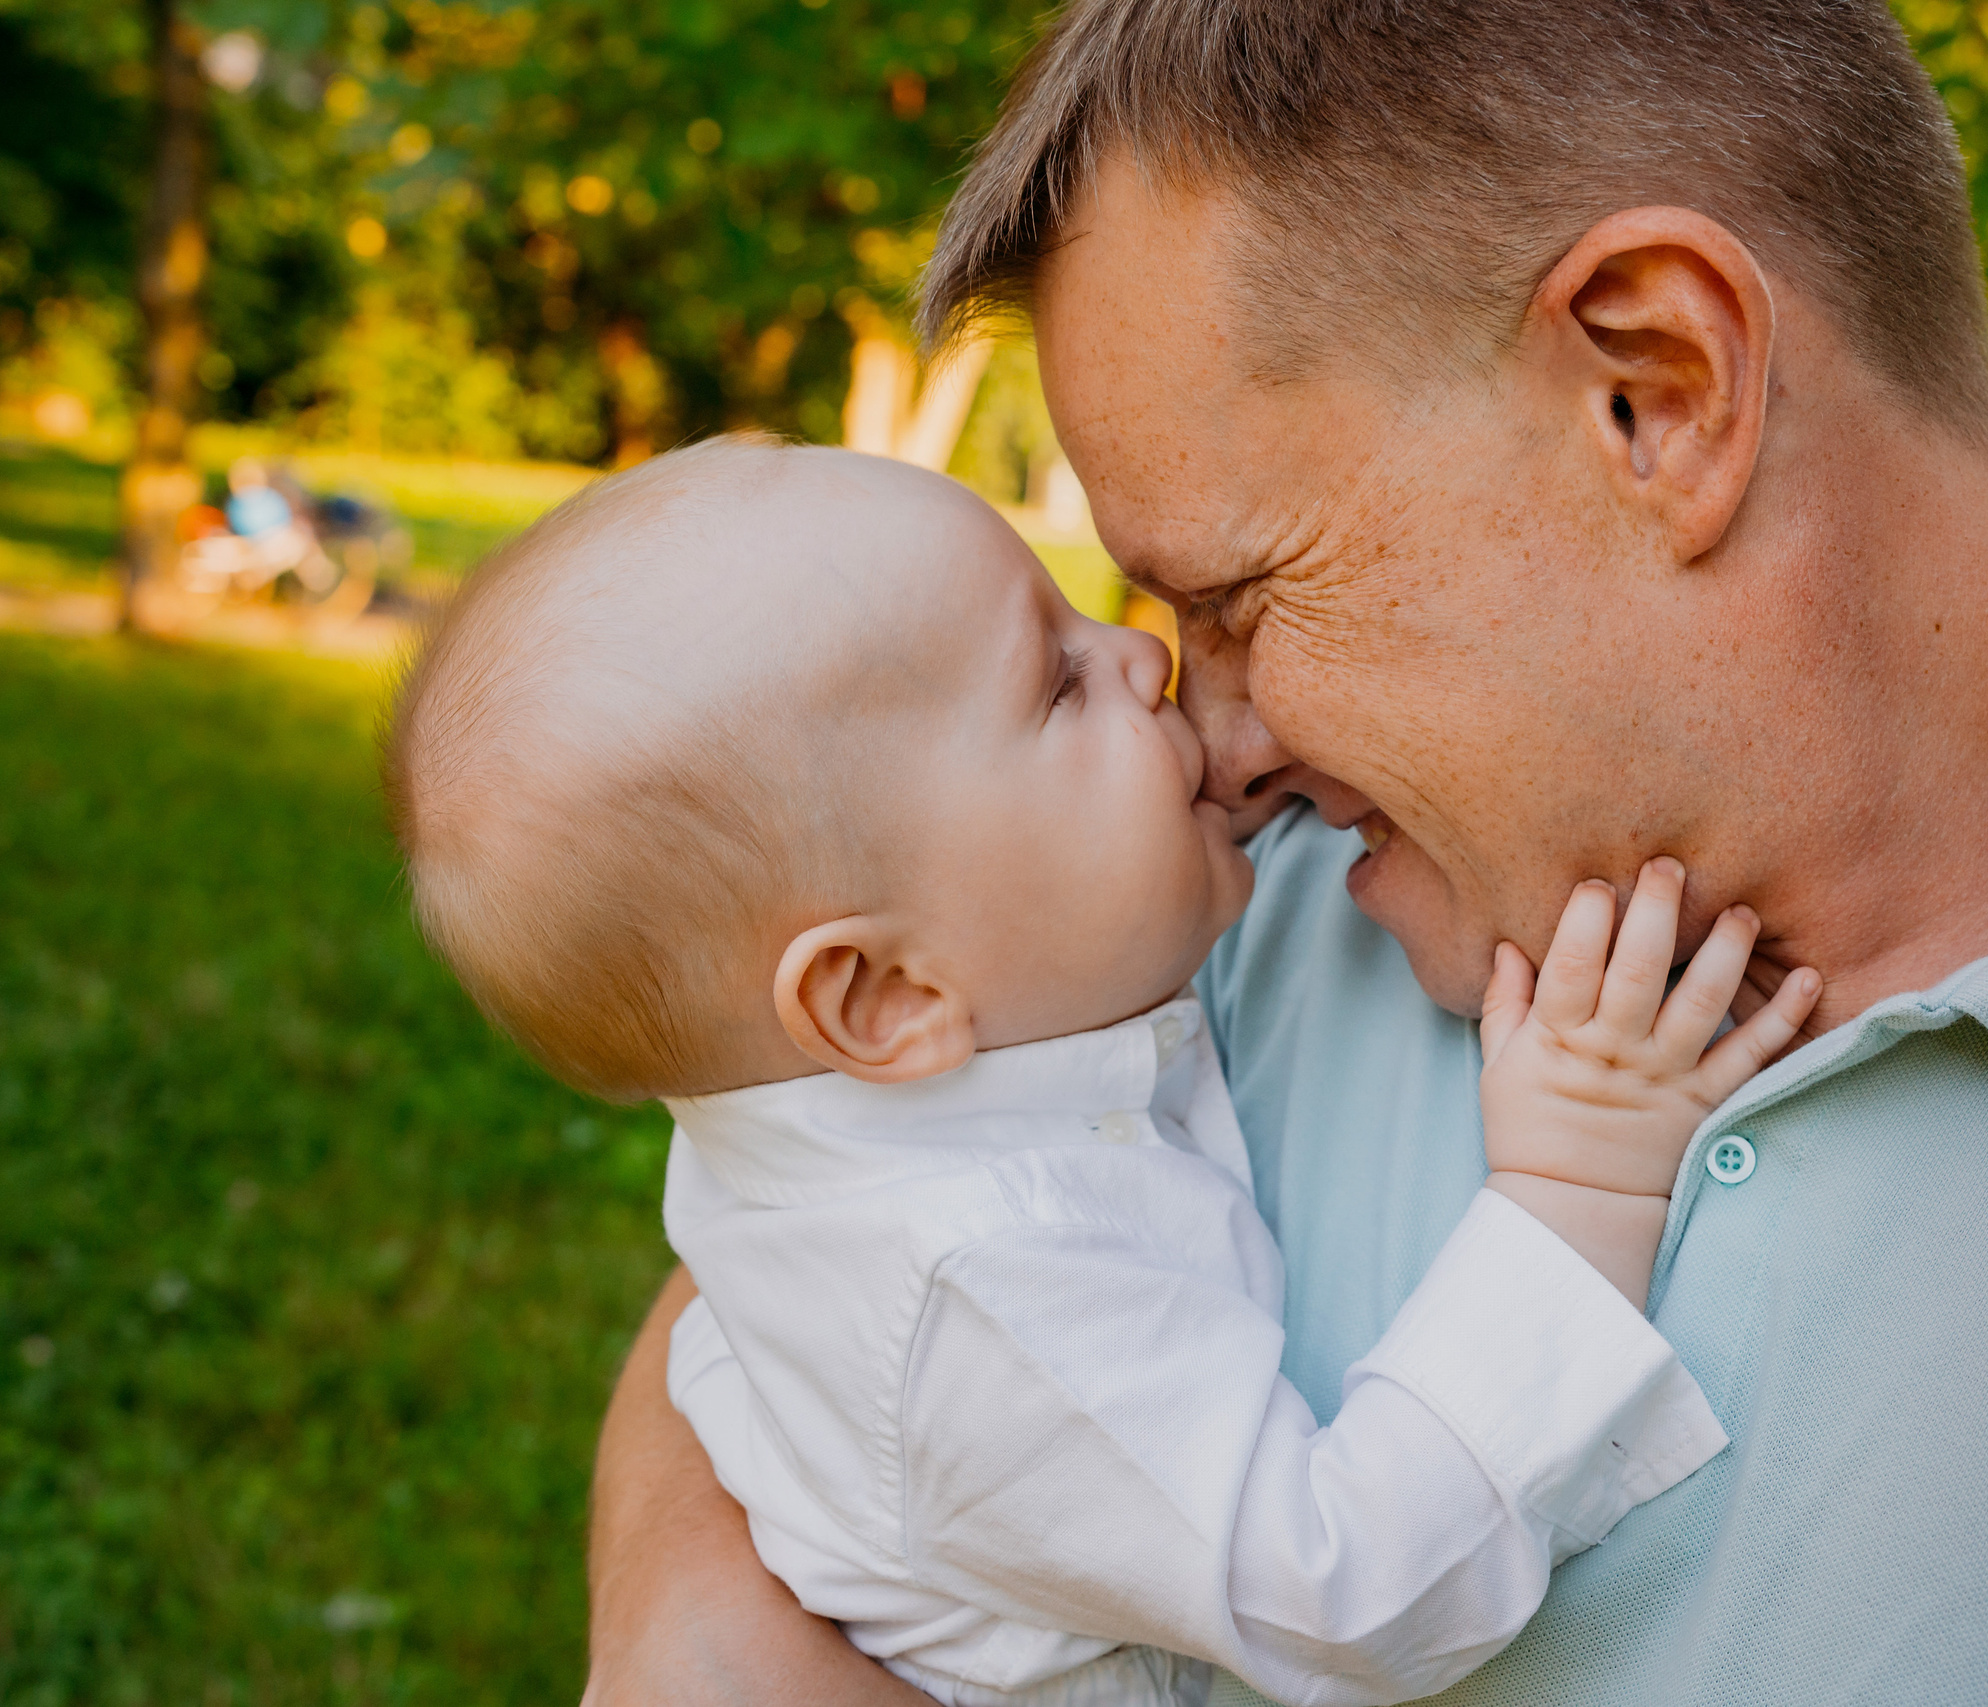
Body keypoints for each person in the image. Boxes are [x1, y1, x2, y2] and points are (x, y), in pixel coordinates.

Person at [584, 2, 1988, 1701]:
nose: (1211, 736)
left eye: (1238, 596)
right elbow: (832, 1214)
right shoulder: (1207, 903)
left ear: (1651, 388)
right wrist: (695, 1610)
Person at [385, 437, 1821, 1707]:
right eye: (1057, 684)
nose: (1145, 661)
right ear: (885, 997)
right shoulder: (987, 1297)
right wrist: (1580, 1174)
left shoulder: (952, 1050)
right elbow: (1347, 1592)